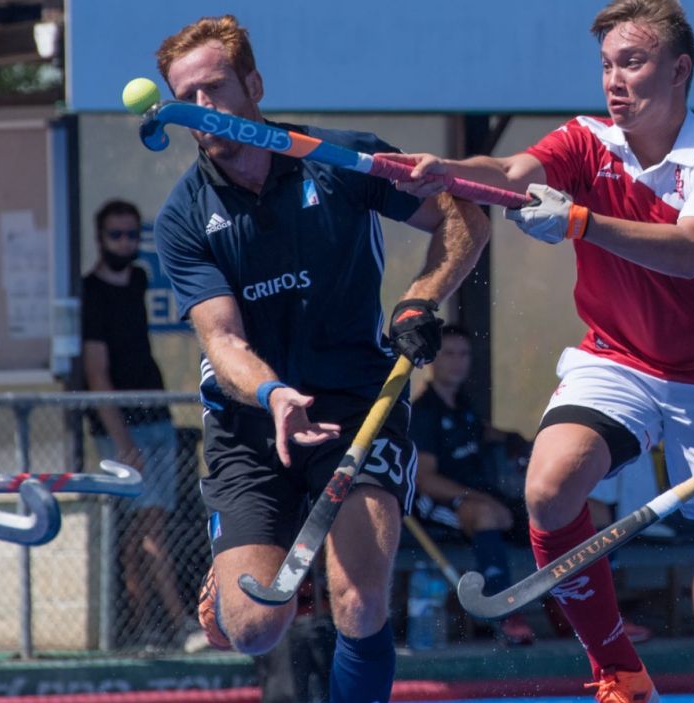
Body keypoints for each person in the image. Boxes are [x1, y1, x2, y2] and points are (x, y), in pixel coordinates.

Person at [390, 1, 694, 700]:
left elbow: (689, 252)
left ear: (680, 70)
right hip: (615, 359)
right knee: (548, 488)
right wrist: (443, 169)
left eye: (632, 62)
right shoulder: (585, 139)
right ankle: (619, 672)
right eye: (605, 66)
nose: (613, 81)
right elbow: (507, 170)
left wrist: (580, 222)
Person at [152, 14, 489, 703]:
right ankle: (254, 579)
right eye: (186, 98)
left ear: (254, 84)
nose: (203, 109)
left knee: (360, 602)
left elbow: (464, 215)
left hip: (358, 404)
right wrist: (275, 394)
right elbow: (222, 340)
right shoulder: (183, 217)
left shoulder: (340, 161)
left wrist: (420, 300)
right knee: (252, 627)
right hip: (253, 420)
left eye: (215, 87)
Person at [81, 198, 203, 652]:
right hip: (121, 425)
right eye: (116, 235)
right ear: (100, 238)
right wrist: (121, 440)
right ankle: (180, 623)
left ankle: (141, 626)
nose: (126, 243)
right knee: (149, 526)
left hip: (156, 415)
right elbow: (97, 373)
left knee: (141, 531)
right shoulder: (89, 291)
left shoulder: (138, 279)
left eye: (133, 235)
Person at [408, 324, 536, 646]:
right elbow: (425, 480)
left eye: (463, 354)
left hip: (486, 498)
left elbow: (482, 432)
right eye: (449, 354)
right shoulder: (423, 412)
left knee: (564, 512)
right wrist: (481, 499)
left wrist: (515, 440)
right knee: (485, 515)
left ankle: (574, 611)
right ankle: (504, 613)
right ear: (432, 360)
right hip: (437, 506)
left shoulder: (464, 405)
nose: (457, 362)